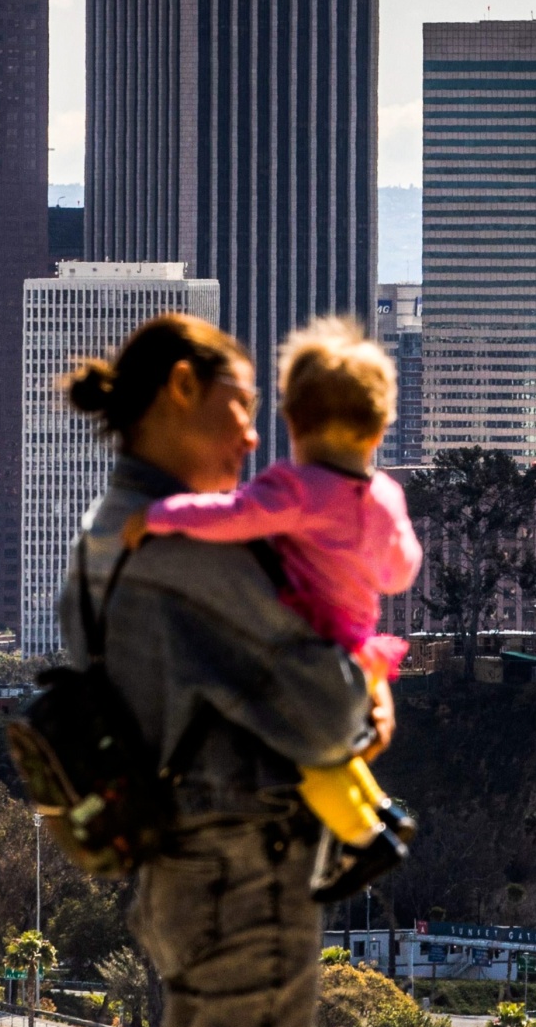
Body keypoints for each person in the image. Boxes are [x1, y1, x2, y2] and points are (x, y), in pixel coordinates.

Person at [59, 313, 387, 1027]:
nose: (252, 436)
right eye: (239, 406)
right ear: (182, 387)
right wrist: (367, 696)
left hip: (179, 875)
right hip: (246, 884)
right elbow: (332, 716)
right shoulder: (195, 554)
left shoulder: (103, 537)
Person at [132, 317, 422, 897]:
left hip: (308, 651)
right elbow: (400, 571)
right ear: (380, 426)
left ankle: (366, 838)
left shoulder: (297, 487)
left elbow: (230, 514)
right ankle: (384, 812)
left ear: (292, 421)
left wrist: (158, 516)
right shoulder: (385, 495)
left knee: (295, 753)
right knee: (328, 752)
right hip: (360, 650)